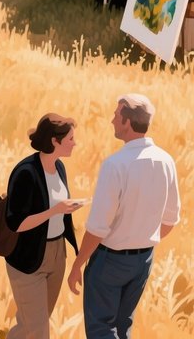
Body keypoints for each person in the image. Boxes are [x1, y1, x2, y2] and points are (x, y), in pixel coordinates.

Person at [67, 95, 179, 339]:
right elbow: (170, 220)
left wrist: (77, 265)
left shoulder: (115, 165)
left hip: (110, 260)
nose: (111, 120)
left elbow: (97, 228)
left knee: (101, 330)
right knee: (122, 327)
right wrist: (141, 239)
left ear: (127, 122)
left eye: (116, 116)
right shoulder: (166, 161)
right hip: (144, 260)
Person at [4, 114, 81, 339]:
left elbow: (58, 207)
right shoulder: (26, 172)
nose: (75, 143)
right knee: (39, 332)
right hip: (28, 259)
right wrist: (54, 211)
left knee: (30, 326)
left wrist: (66, 210)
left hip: (57, 255)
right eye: (70, 139)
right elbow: (15, 223)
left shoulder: (60, 168)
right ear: (54, 142)